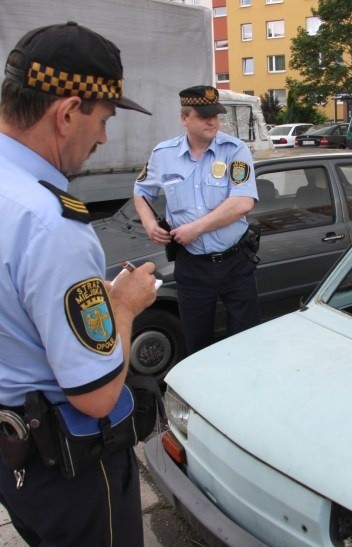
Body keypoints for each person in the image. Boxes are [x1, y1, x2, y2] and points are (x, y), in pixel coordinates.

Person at [0, 22, 157, 546]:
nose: (104, 138)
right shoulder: (52, 226)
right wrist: (126, 305)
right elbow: (96, 395)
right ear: (67, 113)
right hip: (68, 468)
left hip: (15, 456)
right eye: (104, 118)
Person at [134, 85, 260, 355]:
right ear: (184, 118)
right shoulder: (163, 155)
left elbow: (242, 202)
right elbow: (141, 192)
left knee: (246, 341)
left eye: (215, 114)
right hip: (192, 267)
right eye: (203, 115)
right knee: (196, 344)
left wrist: (195, 229)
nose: (212, 121)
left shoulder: (235, 151)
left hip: (235, 263)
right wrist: (149, 224)